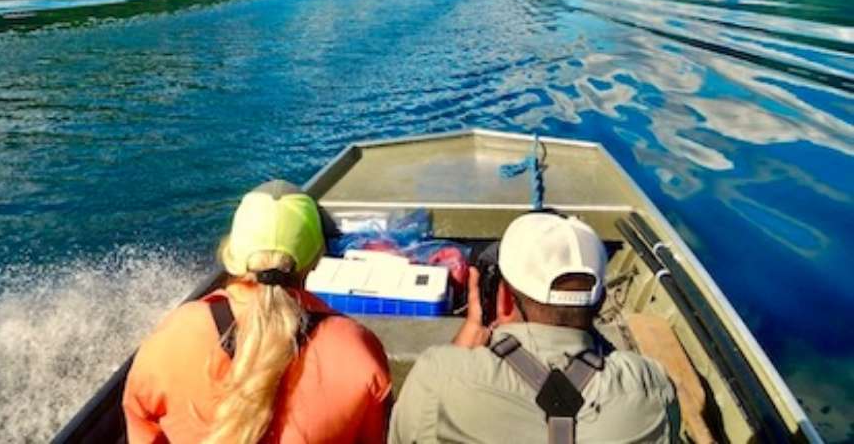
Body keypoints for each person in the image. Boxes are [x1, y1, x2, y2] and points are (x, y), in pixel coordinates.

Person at [123, 180, 392, 444]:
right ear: (315, 259)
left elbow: (141, 424)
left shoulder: (174, 336)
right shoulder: (356, 351)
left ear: (232, 251)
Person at [389, 211, 680, 443]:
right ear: (600, 301)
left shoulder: (438, 376)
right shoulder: (651, 385)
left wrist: (462, 346)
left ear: (502, 298)